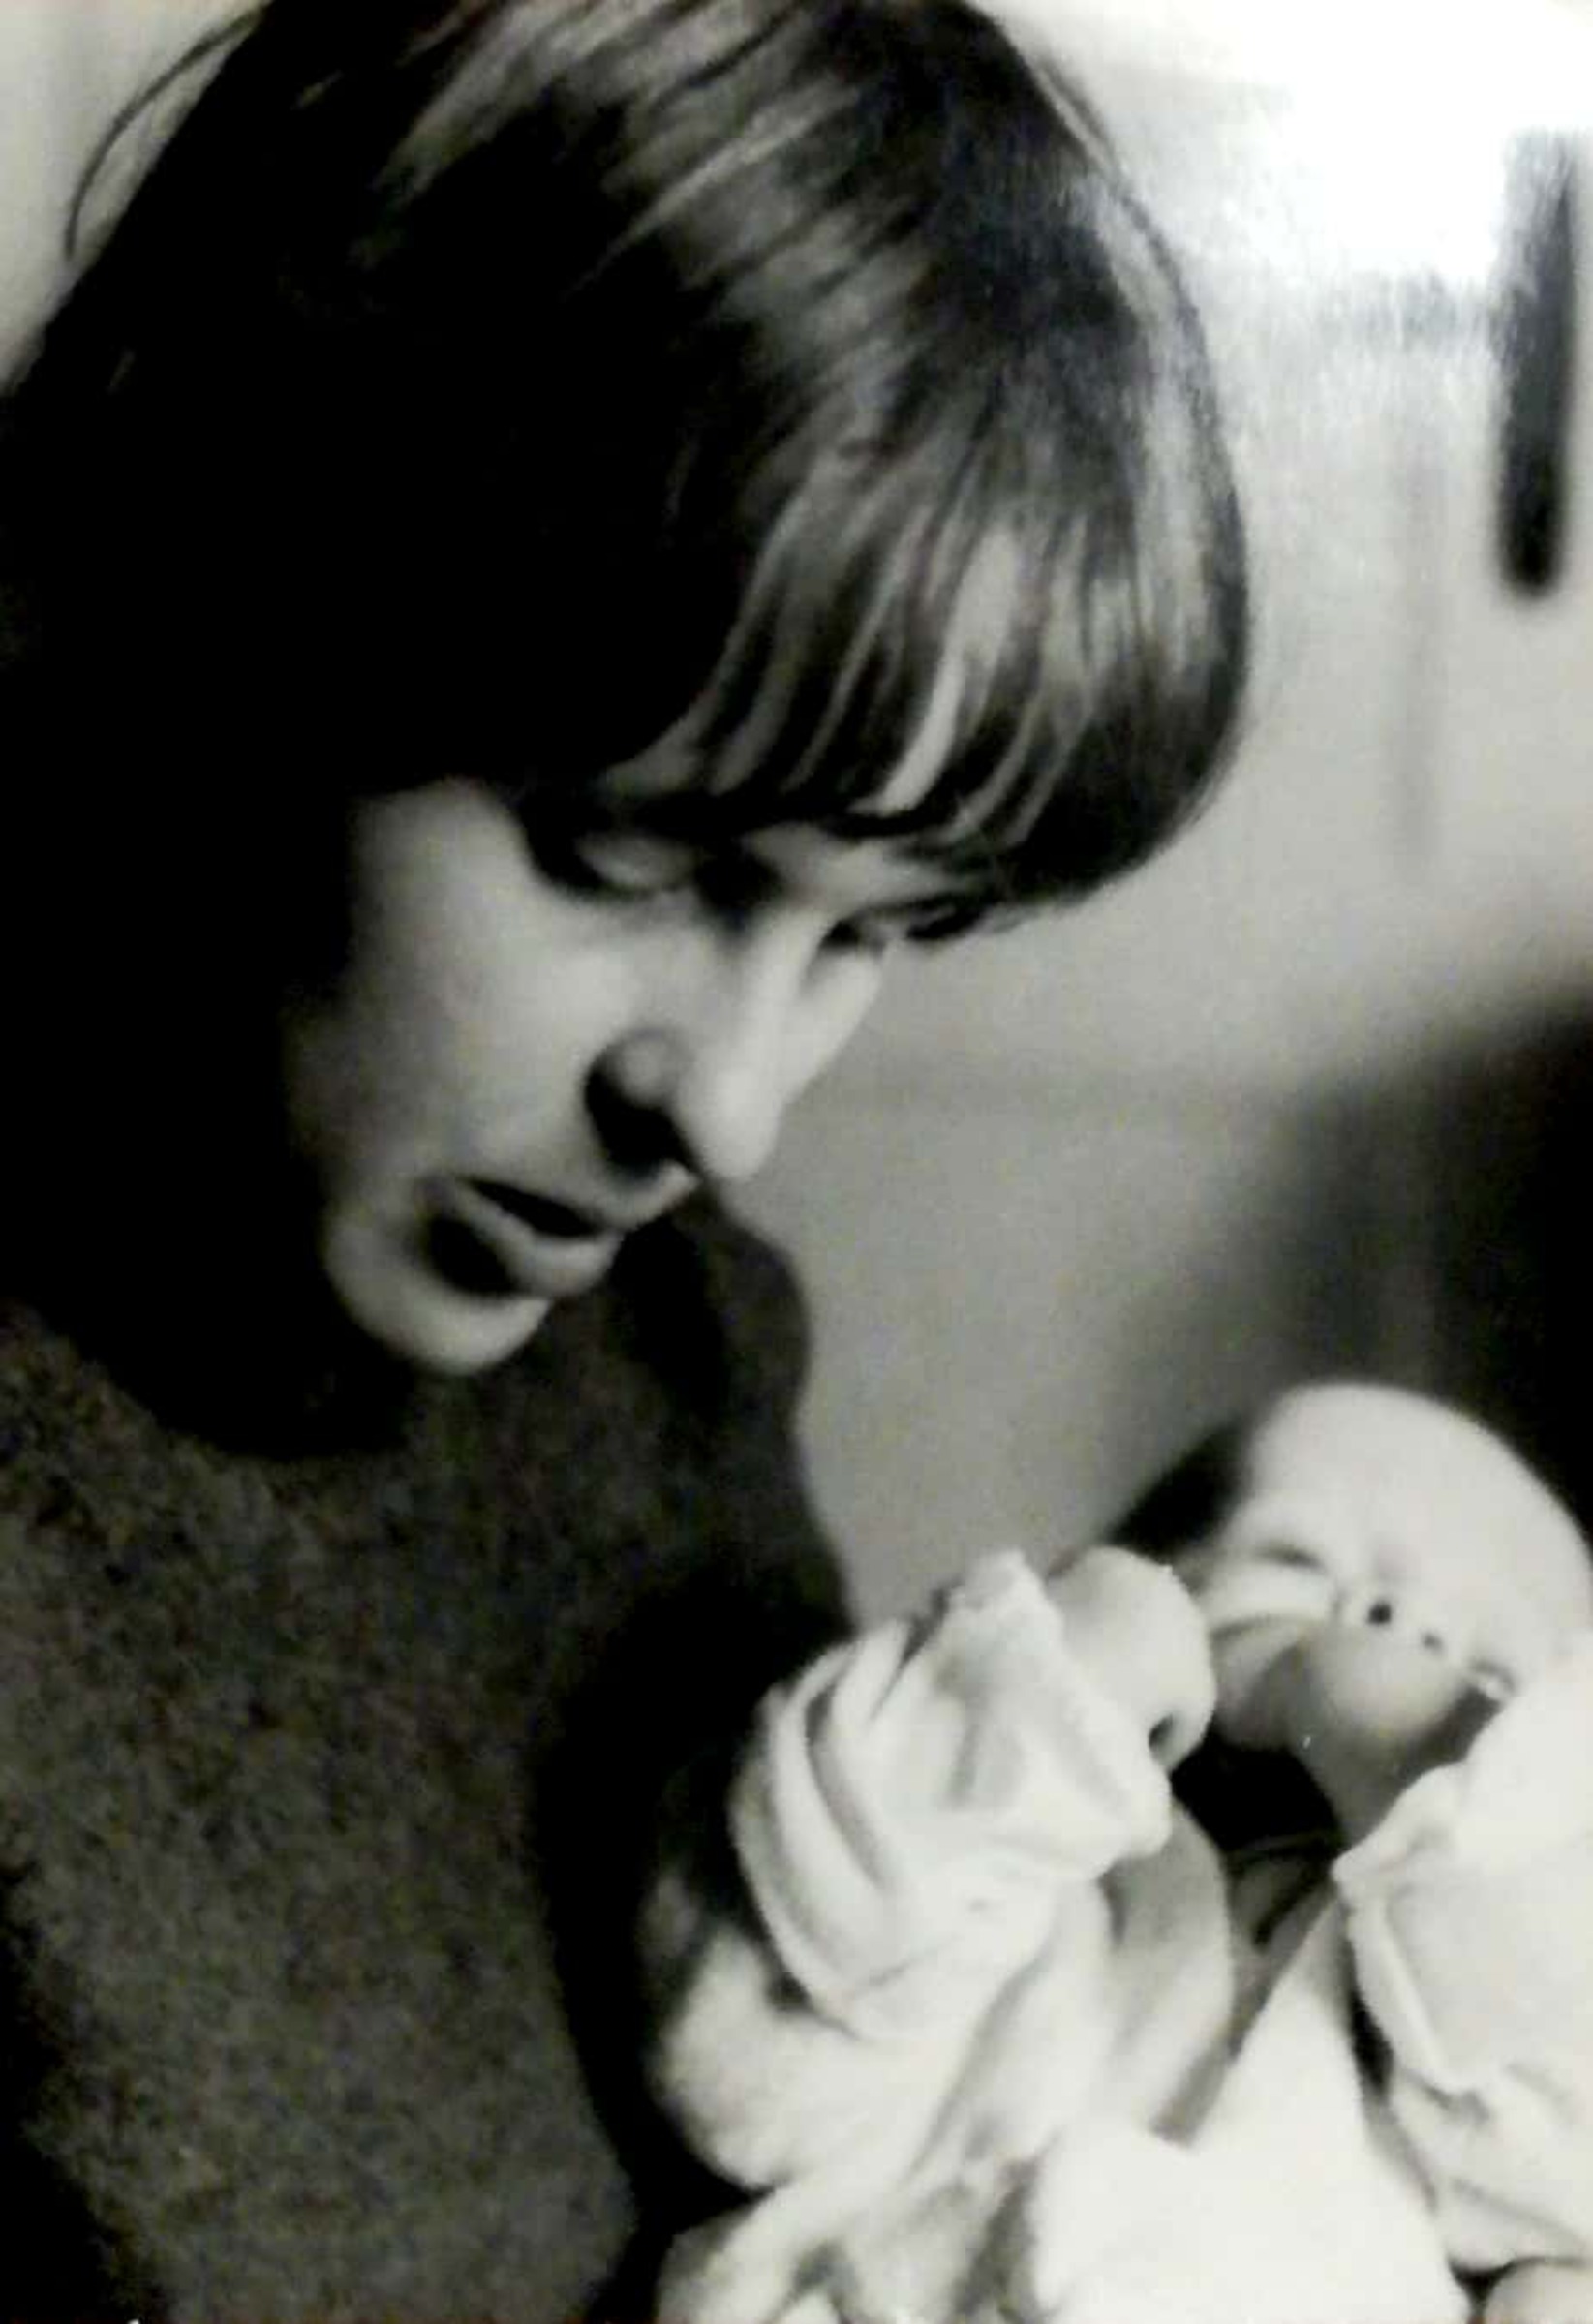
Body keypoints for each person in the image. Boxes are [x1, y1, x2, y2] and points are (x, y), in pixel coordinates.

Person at [0, 0, 1248, 2315]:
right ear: (227, 589)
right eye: (628, 852)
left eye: (872, 933)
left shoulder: (677, 1357)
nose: (727, 1110)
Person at [648, 1386, 1593, 2324]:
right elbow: (749, 2037)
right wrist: (1046, 1698)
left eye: (1491, 1676)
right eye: (1297, 1556)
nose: (1397, 1622)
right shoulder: (1009, 1894)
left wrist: (1433, 1752)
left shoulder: (1466, 2103)